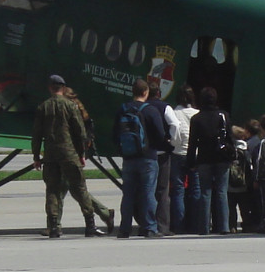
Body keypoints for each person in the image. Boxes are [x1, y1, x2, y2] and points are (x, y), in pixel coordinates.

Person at [32, 74, 115, 238]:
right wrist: (81, 153)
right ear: (62, 88)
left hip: (50, 155)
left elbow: (36, 134)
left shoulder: (43, 107)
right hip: (69, 154)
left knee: (52, 191)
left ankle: (54, 227)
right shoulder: (71, 106)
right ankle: (90, 225)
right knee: (80, 188)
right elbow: (80, 132)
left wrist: (36, 156)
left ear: (50, 88)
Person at [116, 78, 166, 238]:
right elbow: (160, 134)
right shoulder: (150, 110)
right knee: (147, 193)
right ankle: (150, 227)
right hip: (148, 157)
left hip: (129, 158)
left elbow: (114, 134)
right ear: (146, 92)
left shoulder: (123, 109)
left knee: (128, 194)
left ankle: (124, 229)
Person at [185, 86, 230, 235]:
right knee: (222, 192)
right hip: (222, 158)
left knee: (205, 192)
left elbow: (192, 143)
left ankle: (203, 227)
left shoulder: (196, 119)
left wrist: (191, 163)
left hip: (204, 158)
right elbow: (229, 137)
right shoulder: (223, 115)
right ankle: (224, 226)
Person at [145, 83, 179, 235]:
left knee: (146, 190)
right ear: (159, 93)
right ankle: (163, 226)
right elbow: (175, 125)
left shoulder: (142, 107)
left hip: (145, 153)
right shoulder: (165, 107)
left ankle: (146, 224)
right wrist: (172, 143)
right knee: (163, 191)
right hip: (162, 154)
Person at [170, 86, 201, 233]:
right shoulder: (197, 113)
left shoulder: (174, 113)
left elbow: (174, 133)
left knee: (178, 190)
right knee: (196, 189)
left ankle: (179, 225)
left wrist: (174, 145)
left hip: (178, 153)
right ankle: (195, 224)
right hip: (194, 154)